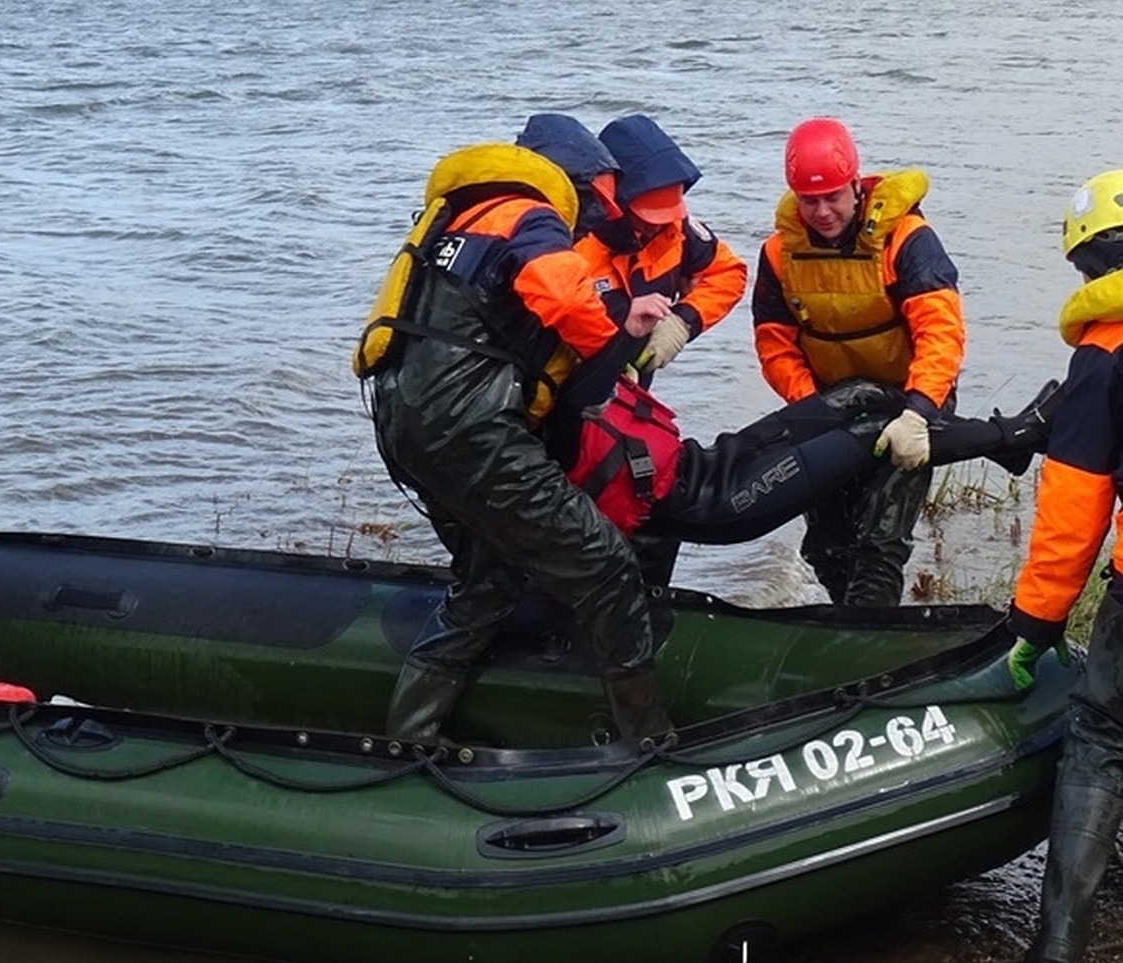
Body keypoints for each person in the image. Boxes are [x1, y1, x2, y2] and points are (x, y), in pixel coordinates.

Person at [354, 114, 673, 746]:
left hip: (402, 430)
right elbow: (564, 297)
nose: (587, 228)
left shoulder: (460, 217)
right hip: (472, 433)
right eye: (589, 210)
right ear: (573, 186)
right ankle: (650, 740)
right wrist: (618, 347)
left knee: (489, 579)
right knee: (606, 564)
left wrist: (618, 319)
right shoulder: (532, 213)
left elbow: (497, 310)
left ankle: (408, 739)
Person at [752, 117, 969, 606]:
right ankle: (851, 624)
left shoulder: (906, 240)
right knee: (828, 545)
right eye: (810, 201)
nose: (823, 212)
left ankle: (871, 651)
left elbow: (941, 331)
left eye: (833, 197)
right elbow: (774, 341)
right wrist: (810, 407)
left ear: (856, 185)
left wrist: (918, 412)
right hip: (829, 406)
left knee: (879, 542)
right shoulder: (780, 252)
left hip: (913, 399)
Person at [1007, 169, 1123, 963]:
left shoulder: (1103, 358)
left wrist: (1034, 627)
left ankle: (1056, 953)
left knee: (1102, 738)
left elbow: (1074, 516)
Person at [551, 371, 1060, 547]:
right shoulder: (537, 425)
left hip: (705, 460)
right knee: (875, 432)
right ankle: (1017, 433)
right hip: (715, 503)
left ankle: (1008, 451)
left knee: (864, 395)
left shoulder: (575, 361)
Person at [574, 114, 748, 382]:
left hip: (634, 387)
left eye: (666, 216)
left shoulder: (676, 229)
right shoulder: (574, 245)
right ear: (617, 201)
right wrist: (614, 355)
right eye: (648, 218)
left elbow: (728, 273)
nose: (657, 227)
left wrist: (682, 321)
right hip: (574, 385)